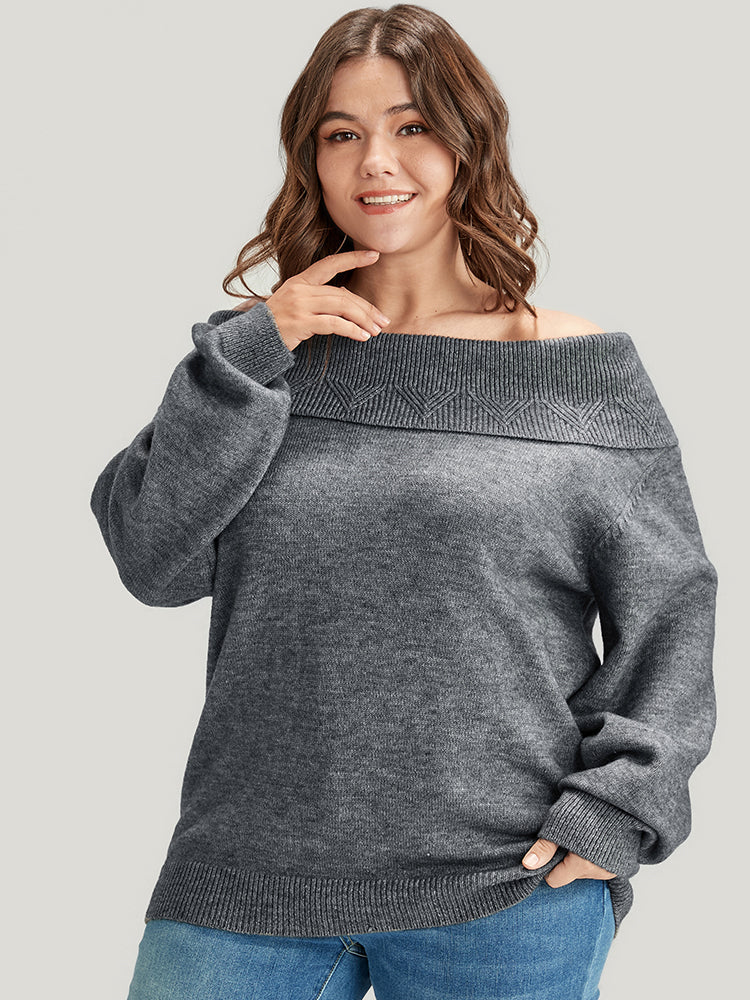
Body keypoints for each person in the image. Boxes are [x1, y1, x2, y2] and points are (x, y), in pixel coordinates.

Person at [89, 5, 718, 999]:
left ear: (470, 142)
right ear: (311, 158)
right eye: (342, 133)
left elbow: (671, 615)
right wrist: (252, 349)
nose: (376, 161)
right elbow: (150, 560)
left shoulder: (576, 373)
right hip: (243, 877)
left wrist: (617, 809)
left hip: (503, 890)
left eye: (413, 125)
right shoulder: (256, 362)